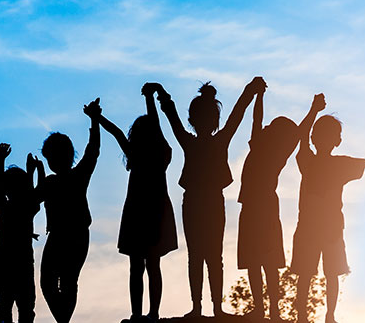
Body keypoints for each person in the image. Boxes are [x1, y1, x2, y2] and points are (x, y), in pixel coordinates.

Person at [157, 77, 265, 318]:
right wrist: (250, 90)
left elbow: (171, 116)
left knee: (199, 256)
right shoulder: (218, 140)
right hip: (208, 202)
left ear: (193, 120)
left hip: (199, 202)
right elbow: (237, 113)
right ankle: (210, 308)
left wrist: (162, 94)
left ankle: (202, 308)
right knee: (211, 257)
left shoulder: (192, 141)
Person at [291, 94, 365, 323]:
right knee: (307, 273)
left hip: (331, 231)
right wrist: (313, 110)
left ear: (337, 141)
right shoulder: (307, 161)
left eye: (328, 135)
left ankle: (329, 316)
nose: (322, 139)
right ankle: (304, 315)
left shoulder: (338, 164)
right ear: (314, 138)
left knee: (330, 273)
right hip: (310, 229)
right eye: (319, 135)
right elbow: (301, 136)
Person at [96, 83, 177, 322]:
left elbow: (117, 132)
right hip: (156, 212)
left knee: (137, 267)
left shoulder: (138, 153)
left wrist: (97, 117)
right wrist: (150, 97)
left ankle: (138, 314)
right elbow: (122, 131)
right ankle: (152, 314)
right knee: (153, 265)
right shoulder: (161, 154)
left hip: (138, 212)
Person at [236, 84, 300, 322]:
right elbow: (257, 118)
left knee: (265, 262)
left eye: (270, 126)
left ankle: (271, 310)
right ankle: (264, 310)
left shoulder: (273, 152)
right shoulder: (264, 146)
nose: (264, 126)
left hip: (260, 208)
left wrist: (260, 96)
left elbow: (258, 118)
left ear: (275, 135)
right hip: (254, 207)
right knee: (257, 262)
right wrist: (259, 96)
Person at [38, 98, 101, 323]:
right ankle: (63, 319)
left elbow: (93, 151)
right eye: (49, 158)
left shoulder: (77, 176)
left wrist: (95, 121)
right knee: (48, 282)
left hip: (75, 235)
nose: (53, 161)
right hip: (57, 236)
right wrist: (36, 174)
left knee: (67, 281)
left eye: (54, 157)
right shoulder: (50, 182)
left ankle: (63, 320)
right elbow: (33, 199)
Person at [0, 143, 42, 323]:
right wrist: (32, 172)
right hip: (23, 262)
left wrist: (0, 159)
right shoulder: (27, 209)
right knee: (26, 309)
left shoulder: (3, 208)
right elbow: (31, 194)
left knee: (4, 308)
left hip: (4, 261)